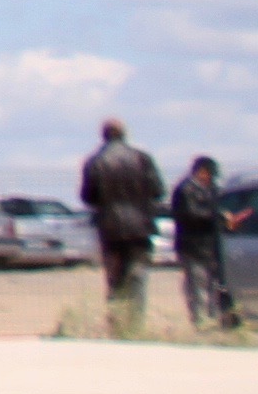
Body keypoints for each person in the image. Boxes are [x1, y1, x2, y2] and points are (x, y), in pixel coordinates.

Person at [81, 118, 165, 321]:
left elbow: (88, 197)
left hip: (110, 228)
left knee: (115, 279)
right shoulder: (142, 158)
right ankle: (135, 322)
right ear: (124, 134)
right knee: (137, 277)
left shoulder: (95, 161)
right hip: (140, 227)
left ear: (103, 136)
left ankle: (118, 322)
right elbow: (158, 190)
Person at [172, 154, 233, 330]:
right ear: (201, 172)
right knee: (197, 285)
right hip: (192, 246)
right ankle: (200, 321)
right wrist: (218, 216)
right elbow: (192, 214)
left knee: (212, 285)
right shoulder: (186, 190)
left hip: (210, 246)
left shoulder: (211, 189)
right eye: (210, 175)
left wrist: (225, 218)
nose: (211, 179)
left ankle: (211, 318)